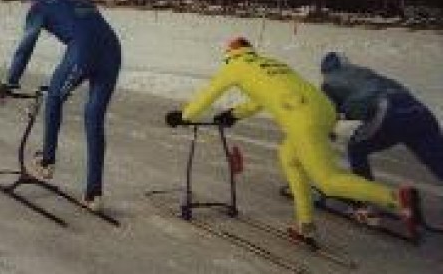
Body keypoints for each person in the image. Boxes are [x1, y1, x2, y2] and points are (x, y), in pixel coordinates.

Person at [165, 37, 422, 240]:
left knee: (328, 181)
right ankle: (305, 224)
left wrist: (185, 116)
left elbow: (210, 92)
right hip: (323, 109)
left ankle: (395, 198)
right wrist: (234, 114)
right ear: (250, 50)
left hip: (301, 117)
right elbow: (263, 97)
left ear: (229, 55)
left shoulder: (235, 66)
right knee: (289, 156)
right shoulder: (272, 64)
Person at [0, 0, 122, 211]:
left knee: (54, 95)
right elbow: (89, 26)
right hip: (113, 51)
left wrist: (10, 81)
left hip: (84, 52)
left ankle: (47, 161)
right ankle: (94, 193)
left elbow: (25, 47)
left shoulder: (38, 8)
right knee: (94, 119)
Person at [320, 52, 443, 183]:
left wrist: (327, 131)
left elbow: (328, 110)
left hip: (388, 109)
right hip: (418, 110)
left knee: (356, 148)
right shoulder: (365, 72)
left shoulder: (328, 83)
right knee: (437, 161)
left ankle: (365, 194)